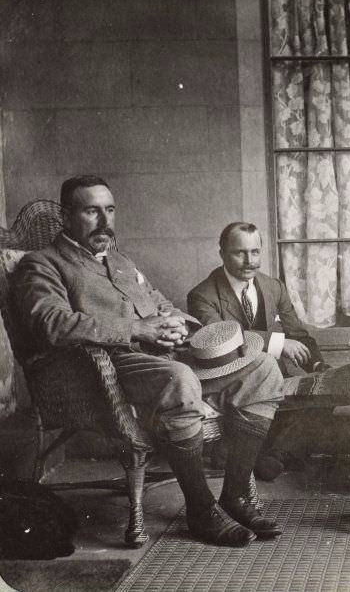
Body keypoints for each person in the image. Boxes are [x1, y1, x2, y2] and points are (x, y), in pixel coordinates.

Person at [14, 175, 287, 547]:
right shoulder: (43, 264)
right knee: (179, 379)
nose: (104, 220)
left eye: (109, 210)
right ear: (66, 217)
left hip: (163, 356)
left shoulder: (122, 261)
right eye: (91, 211)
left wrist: (181, 326)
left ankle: (235, 494)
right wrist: (138, 329)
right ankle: (201, 509)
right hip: (108, 367)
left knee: (263, 370)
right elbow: (52, 323)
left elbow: (160, 303)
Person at [187, 222, 333, 478]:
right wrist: (277, 343)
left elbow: (297, 333)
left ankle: (274, 455)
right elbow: (223, 337)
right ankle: (270, 452)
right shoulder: (202, 295)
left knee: (330, 390)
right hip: (234, 382)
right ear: (221, 253)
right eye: (239, 252)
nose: (249, 261)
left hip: (278, 377)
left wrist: (318, 365)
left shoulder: (273, 286)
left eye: (255, 252)